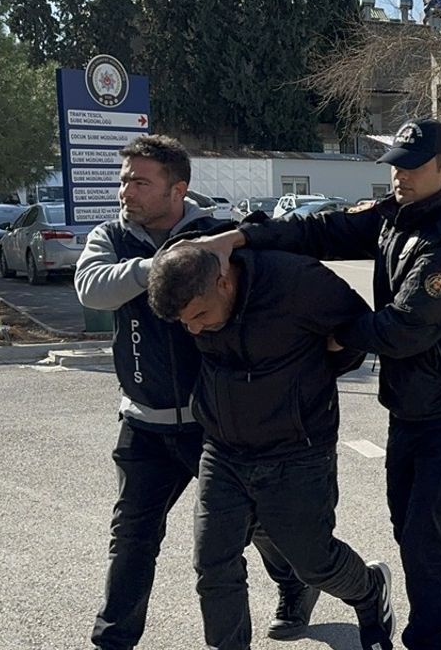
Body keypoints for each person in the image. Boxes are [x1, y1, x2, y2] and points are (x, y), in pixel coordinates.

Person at [189, 118, 441, 650]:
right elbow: (323, 231)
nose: (399, 177)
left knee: (423, 539)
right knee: (411, 531)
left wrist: (336, 334)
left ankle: (424, 641)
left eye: (412, 168)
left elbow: (407, 326)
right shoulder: (396, 217)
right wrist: (242, 236)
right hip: (412, 403)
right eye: (395, 167)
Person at [73, 135, 310, 650]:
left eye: (140, 181)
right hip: (145, 423)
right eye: (124, 180)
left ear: (177, 188)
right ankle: (112, 641)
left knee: (254, 527)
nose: (126, 192)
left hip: (214, 424)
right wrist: (165, 265)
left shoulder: (215, 232)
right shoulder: (112, 237)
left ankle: (294, 585)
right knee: (132, 539)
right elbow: (92, 289)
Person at [145, 244, 393, 650]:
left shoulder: (295, 282)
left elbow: (358, 328)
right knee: (213, 564)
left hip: (296, 450)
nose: (194, 330)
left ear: (223, 282)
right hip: (223, 451)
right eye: (183, 323)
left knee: (314, 562)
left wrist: (329, 358)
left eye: (200, 316)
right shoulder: (196, 300)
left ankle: (368, 590)